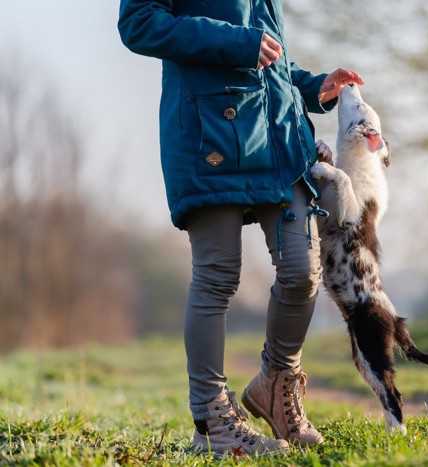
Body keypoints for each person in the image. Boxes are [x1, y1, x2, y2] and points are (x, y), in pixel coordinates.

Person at [118, 0, 363, 457]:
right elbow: (138, 24)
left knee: (302, 269)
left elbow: (267, 50)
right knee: (217, 276)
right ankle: (211, 420)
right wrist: (238, 42)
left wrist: (313, 88)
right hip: (208, 133)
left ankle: (275, 383)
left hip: (280, 138)